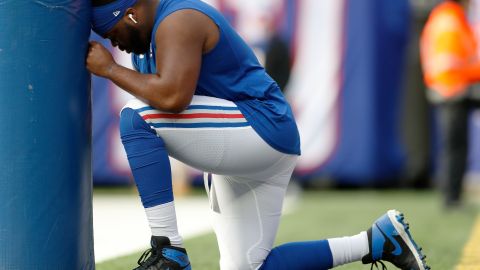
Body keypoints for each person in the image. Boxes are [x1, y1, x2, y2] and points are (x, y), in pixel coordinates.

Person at [86, 0, 429, 269]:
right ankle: (377, 241)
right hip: (252, 144)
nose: (112, 41)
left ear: (129, 13)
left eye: (112, 31)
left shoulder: (178, 17)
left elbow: (174, 97)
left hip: (260, 129)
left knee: (135, 117)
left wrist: (111, 69)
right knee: (249, 266)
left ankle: (168, 248)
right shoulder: (149, 37)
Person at [420, 0, 480, 208]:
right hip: (453, 91)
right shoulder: (450, 20)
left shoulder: (449, 18)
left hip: (453, 89)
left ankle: (453, 196)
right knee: (455, 147)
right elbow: (450, 63)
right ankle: (451, 198)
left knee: (454, 147)